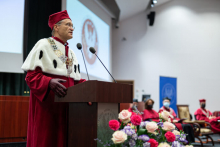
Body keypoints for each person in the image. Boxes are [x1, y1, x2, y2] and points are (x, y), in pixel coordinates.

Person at [21, 10, 86, 147]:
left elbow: (74, 79)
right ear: (56, 27)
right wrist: (49, 82)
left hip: (68, 108)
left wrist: (89, 87)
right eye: (68, 24)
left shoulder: (72, 52)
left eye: (72, 25)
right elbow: (31, 77)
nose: (72, 28)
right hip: (48, 106)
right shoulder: (43, 44)